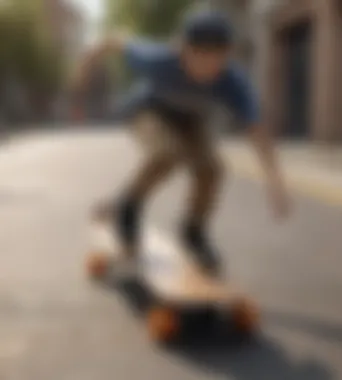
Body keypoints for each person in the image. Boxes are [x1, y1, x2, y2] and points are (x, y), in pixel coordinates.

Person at [72, 11, 290, 275]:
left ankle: (193, 230)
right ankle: (128, 208)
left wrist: (275, 182)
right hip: (149, 111)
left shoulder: (234, 82)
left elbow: (257, 130)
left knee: (212, 168)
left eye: (217, 59)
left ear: (228, 55)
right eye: (199, 57)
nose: (208, 68)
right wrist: (84, 67)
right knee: (166, 154)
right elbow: (113, 41)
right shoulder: (156, 59)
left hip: (192, 121)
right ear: (182, 49)